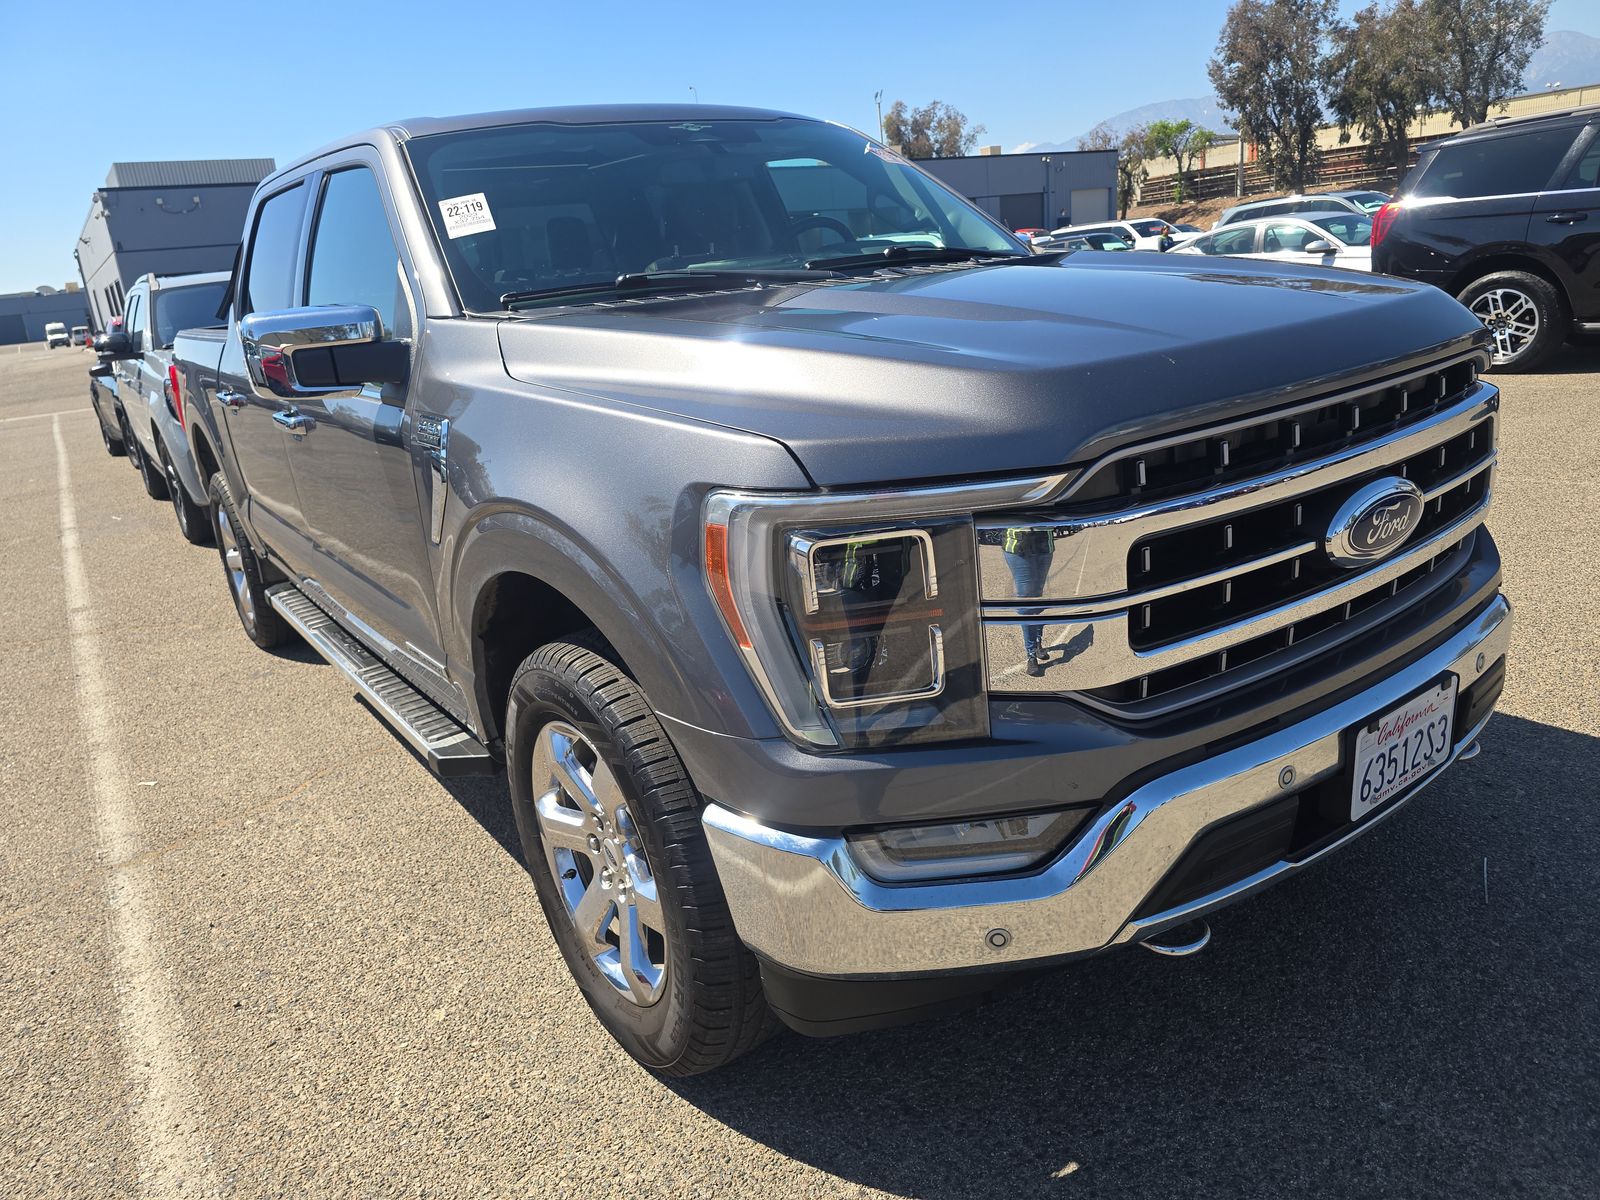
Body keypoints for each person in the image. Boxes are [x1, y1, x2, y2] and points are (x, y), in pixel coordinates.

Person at [1002, 526, 1055, 676]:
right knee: (1026, 603)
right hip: (1018, 544)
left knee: (1039, 598)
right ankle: (1031, 655)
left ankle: (1038, 642)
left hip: (1045, 542)